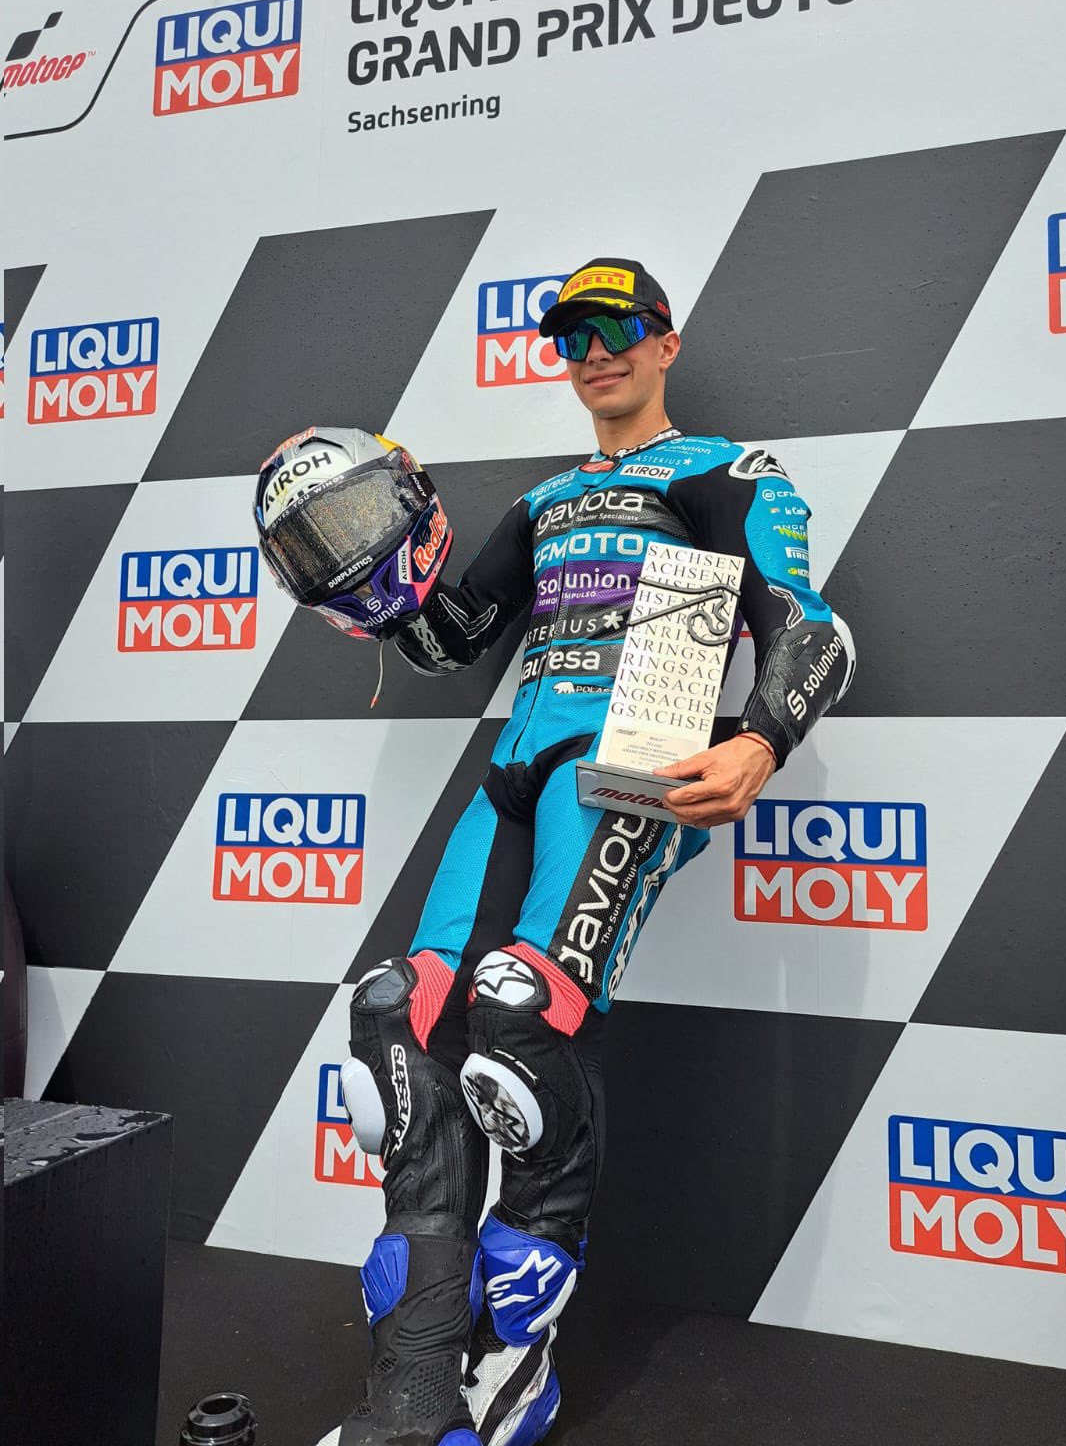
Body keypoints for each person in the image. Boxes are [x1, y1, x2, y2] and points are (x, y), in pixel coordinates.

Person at [256, 259, 855, 1446]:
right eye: (572, 334)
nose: (594, 351)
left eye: (617, 327)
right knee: (408, 1021)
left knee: (523, 1012)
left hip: (629, 757)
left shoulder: (723, 469)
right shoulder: (540, 503)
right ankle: (416, 1390)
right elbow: (454, 638)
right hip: (519, 759)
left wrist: (763, 743)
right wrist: (374, 557)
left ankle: (516, 1373)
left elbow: (805, 623)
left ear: (666, 341)